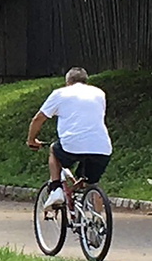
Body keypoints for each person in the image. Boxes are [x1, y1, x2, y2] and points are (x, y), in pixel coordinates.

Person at [26, 67, 112, 211]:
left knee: (53, 149)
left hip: (72, 145)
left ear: (67, 82)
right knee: (92, 183)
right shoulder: (99, 93)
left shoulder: (60, 94)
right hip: (102, 147)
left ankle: (56, 189)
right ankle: (99, 222)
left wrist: (31, 140)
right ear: (86, 81)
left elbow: (38, 119)